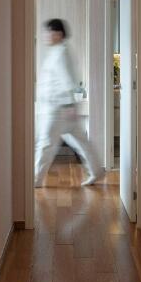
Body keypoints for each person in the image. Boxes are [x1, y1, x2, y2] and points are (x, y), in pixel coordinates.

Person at [35, 18, 101, 188]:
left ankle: (35, 179)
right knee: (80, 141)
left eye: (47, 32)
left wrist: (69, 105)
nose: (45, 36)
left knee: (45, 144)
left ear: (57, 34)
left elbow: (67, 80)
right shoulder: (59, 51)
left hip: (58, 109)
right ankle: (96, 171)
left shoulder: (60, 54)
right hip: (61, 108)